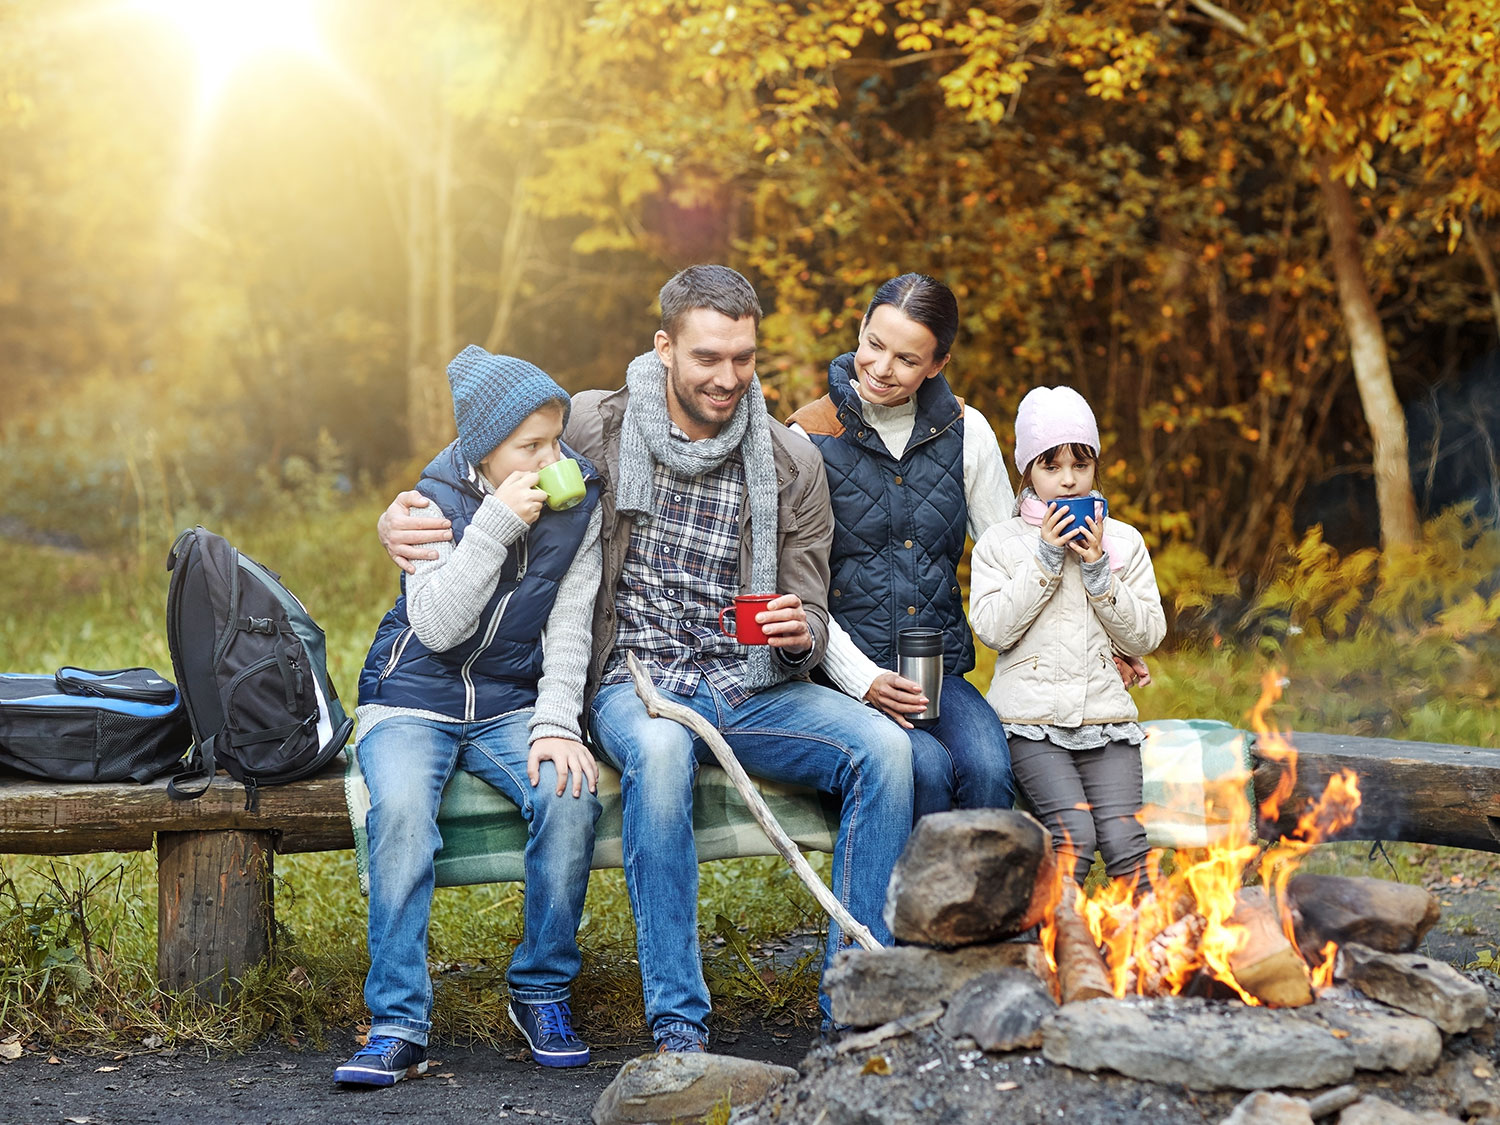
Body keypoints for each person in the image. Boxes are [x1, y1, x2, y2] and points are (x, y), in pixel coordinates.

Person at [379, 265, 913, 1054]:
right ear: (664, 347)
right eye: (706, 357)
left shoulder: (790, 462)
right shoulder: (597, 424)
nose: (727, 377)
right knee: (660, 752)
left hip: (748, 681)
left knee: (888, 750)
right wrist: (402, 513)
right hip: (635, 680)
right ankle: (679, 1025)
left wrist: (800, 631)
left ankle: (855, 1011)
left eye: (743, 357)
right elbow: (485, 447)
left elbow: (809, 599)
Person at [336, 347, 604, 1086]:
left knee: (568, 793)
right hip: (410, 698)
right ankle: (398, 1022)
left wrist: (556, 722)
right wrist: (491, 527)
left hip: (510, 702)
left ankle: (541, 988)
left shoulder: (578, 501)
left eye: (557, 439)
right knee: (398, 818)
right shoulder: (429, 503)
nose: (554, 457)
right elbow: (438, 627)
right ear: (483, 452)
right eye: (532, 447)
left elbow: (572, 622)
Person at [787, 273, 1016, 819]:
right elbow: (797, 588)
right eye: (874, 344)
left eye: (907, 360)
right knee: (926, 772)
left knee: (989, 770)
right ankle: (912, 906)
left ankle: (982, 905)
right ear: (860, 329)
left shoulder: (967, 429)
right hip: (844, 678)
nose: (881, 369)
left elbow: (1011, 558)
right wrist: (862, 681)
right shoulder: (807, 437)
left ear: (937, 364)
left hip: (938, 673)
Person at [968, 386, 1166, 891]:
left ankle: (1148, 960)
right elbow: (992, 629)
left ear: (1096, 466)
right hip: (1028, 723)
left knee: (1126, 844)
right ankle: (1056, 955)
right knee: (1073, 836)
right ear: (1027, 472)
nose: (1069, 480)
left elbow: (1148, 634)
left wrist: (1100, 570)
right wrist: (1046, 560)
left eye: (1081, 464)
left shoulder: (1123, 542)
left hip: (1106, 720)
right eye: (1051, 467)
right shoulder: (1001, 544)